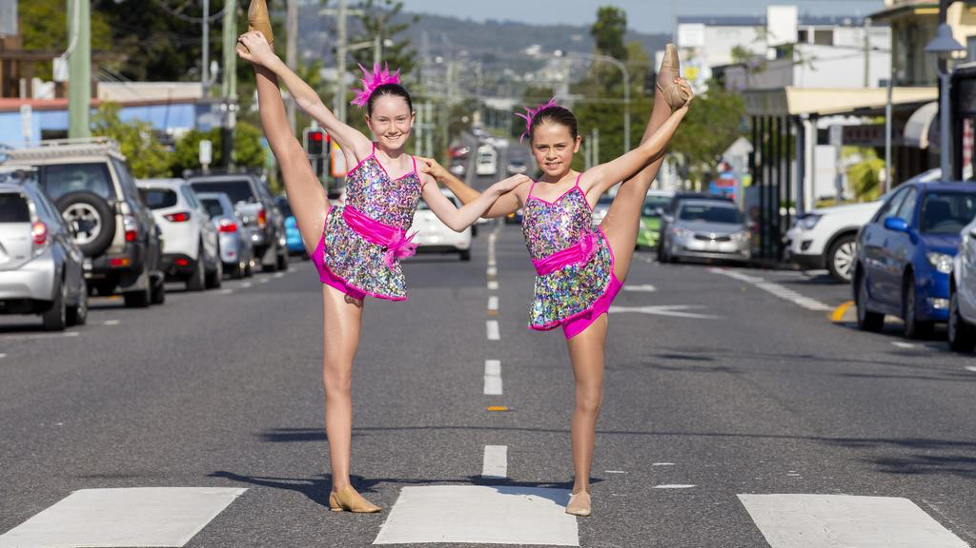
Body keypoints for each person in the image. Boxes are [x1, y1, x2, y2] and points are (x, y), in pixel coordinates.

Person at [236, 0, 526, 513]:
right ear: (368, 120)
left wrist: (495, 189)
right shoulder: (358, 149)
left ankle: (339, 486)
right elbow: (312, 107)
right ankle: (262, 42)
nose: (392, 128)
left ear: (413, 120)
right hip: (332, 233)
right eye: (383, 119)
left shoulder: (419, 170)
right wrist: (275, 64)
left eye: (400, 120)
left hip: (363, 269)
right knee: (287, 146)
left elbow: (460, 220)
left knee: (339, 377)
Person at [422, 47, 692, 517]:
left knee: (637, 183)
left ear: (577, 145)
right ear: (532, 150)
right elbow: (477, 205)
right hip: (562, 292)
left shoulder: (587, 181)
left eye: (559, 146)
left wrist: (683, 110)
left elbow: (647, 152)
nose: (551, 155)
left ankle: (581, 488)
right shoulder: (524, 190)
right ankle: (581, 479)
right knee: (588, 392)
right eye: (543, 148)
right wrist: (444, 174)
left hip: (600, 267)